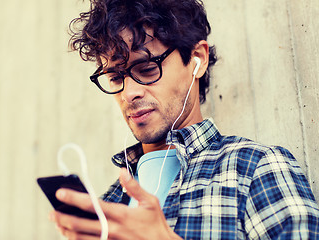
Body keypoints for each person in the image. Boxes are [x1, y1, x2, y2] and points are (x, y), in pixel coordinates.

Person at [49, 0, 319, 239]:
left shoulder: (253, 168)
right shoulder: (109, 205)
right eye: (116, 78)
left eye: (146, 69)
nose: (128, 93)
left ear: (197, 59)